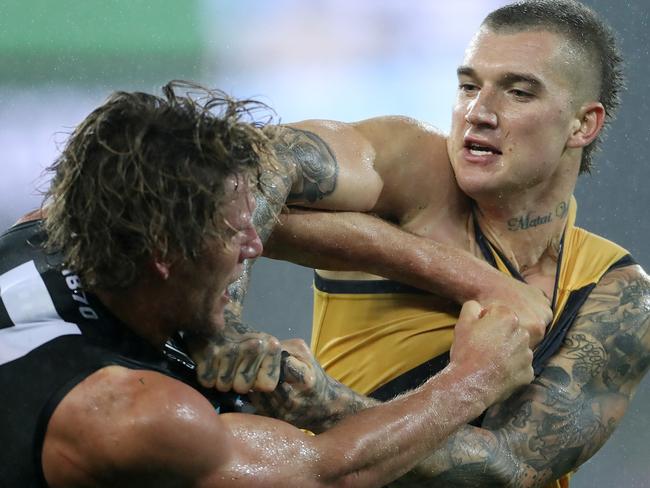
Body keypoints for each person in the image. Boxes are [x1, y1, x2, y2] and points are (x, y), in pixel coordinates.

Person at [0, 81, 536, 487]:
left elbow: (277, 229)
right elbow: (331, 473)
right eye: (236, 233)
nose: (256, 246)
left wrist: (482, 282)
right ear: (165, 255)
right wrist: (474, 377)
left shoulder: (58, 226)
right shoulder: (136, 414)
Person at [255, 1, 650, 486]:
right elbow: (239, 172)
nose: (478, 113)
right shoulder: (411, 167)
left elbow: (511, 467)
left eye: (519, 93)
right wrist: (472, 278)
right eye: (467, 86)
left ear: (583, 124)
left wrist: (327, 404)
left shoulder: (617, 293)